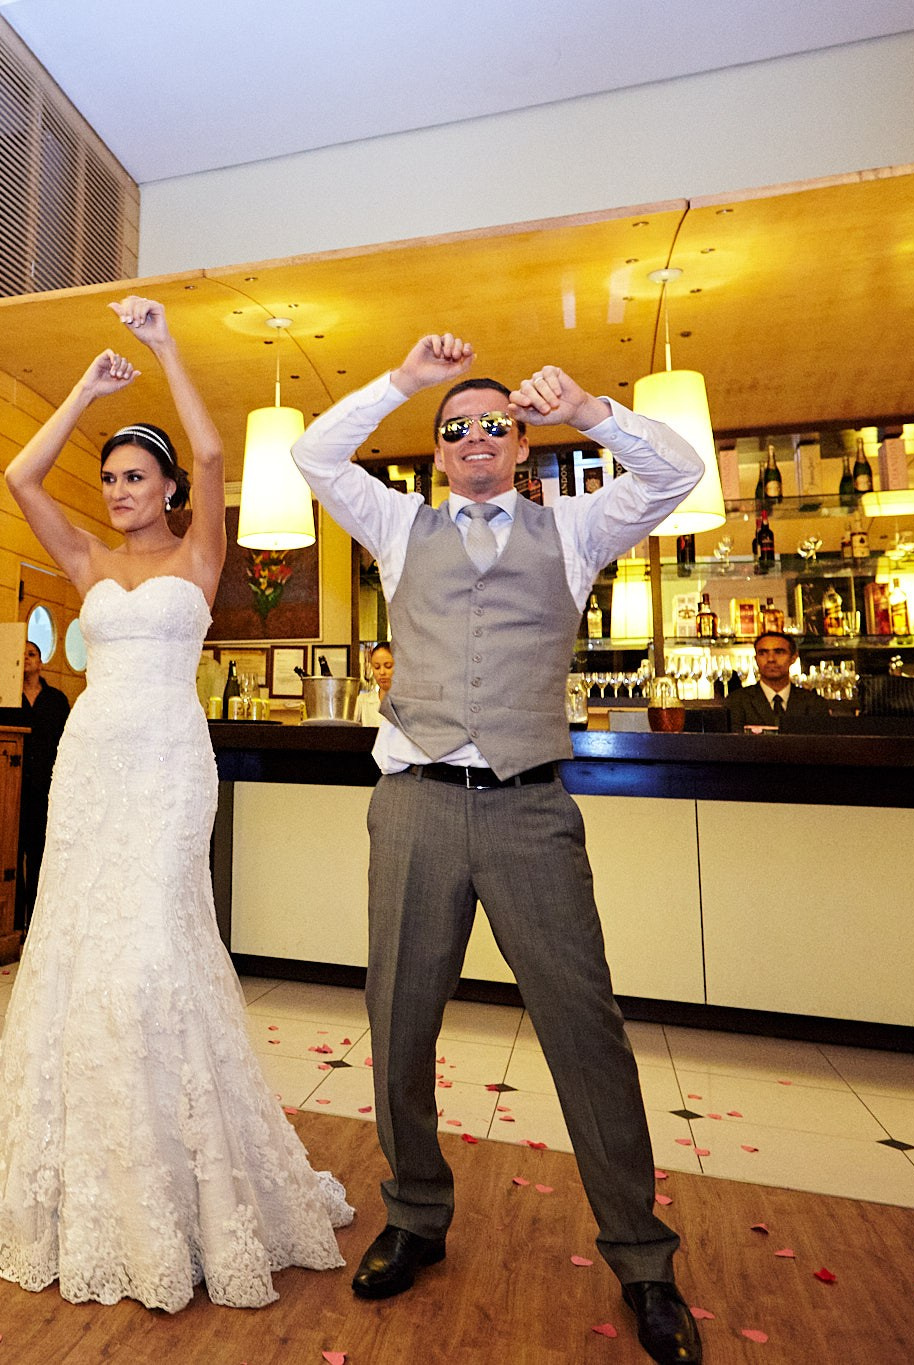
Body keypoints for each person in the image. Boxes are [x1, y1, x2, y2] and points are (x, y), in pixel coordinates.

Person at [292, 334, 706, 1365]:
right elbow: (313, 454)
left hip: (529, 808)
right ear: (437, 451)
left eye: (494, 424)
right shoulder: (399, 525)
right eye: (454, 427)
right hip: (415, 804)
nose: (474, 437)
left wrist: (592, 410)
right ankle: (414, 1213)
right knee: (398, 1020)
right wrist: (400, 382)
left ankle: (642, 1258)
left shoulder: (575, 527)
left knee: (584, 1027)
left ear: (521, 444)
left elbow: (677, 472)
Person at [0, 296, 353, 1311]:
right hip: (90, 769)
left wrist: (165, 346)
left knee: (154, 952)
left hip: (168, 768)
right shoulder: (87, 560)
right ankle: (90, 1166)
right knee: (79, 951)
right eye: (111, 478)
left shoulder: (198, 556)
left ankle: (180, 1172)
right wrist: (86, 388)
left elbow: (212, 452)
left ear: (167, 487)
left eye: (136, 476)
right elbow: (19, 477)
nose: (120, 491)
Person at [0, 639, 68, 931]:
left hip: (46, 788)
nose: (26, 658)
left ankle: (36, 923)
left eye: (31, 654)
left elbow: (66, 742)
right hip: (12, 788)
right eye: (21, 654)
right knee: (11, 853)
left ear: (41, 662)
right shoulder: (3, 699)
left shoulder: (56, 700)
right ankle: (12, 924)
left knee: (40, 855)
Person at [725, 631, 825, 731]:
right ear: (756, 659)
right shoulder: (737, 701)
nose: (771, 659)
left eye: (779, 652)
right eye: (763, 653)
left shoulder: (814, 703)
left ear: (793, 658)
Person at [358, 641, 394, 728]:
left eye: (388, 666)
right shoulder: (362, 701)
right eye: (377, 667)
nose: (382, 672)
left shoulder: (410, 703)